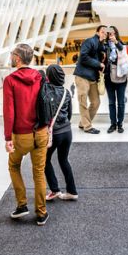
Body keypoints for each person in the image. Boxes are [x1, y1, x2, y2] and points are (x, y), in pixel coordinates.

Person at [4, 44, 49, 225]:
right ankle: (41, 212)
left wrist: (8, 138)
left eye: (12, 54)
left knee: (14, 166)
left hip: (21, 135)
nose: (11, 57)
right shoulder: (40, 76)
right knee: (38, 172)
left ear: (17, 58)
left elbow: (9, 111)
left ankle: (22, 205)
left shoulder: (11, 80)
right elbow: (46, 103)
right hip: (41, 131)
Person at [43, 65, 78, 201]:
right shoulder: (66, 92)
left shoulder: (46, 91)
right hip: (67, 131)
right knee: (64, 160)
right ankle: (72, 191)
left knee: (45, 160)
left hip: (54, 133)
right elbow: (69, 113)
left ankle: (54, 190)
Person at [73, 26, 107, 134]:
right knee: (83, 101)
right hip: (82, 76)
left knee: (96, 102)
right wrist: (98, 64)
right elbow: (83, 57)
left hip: (92, 78)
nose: (104, 33)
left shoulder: (102, 46)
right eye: (102, 31)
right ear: (97, 32)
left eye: (106, 32)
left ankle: (83, 123)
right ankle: (87, 126)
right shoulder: (90, 41)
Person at [104, 26, 127, 133]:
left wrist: (116, 42)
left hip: (121, 76)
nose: (111, 35)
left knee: (121, 102)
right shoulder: (104, 45)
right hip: (109, 76)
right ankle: (113, 124)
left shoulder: (121, 44)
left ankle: (120, 124)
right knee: (111, 102)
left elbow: (122, 49)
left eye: (113, 33)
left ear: (116, 34)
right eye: (109, 33)